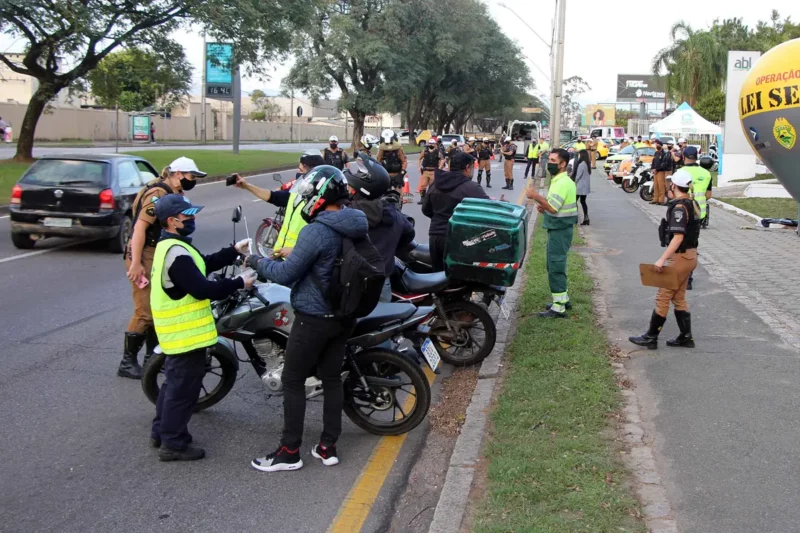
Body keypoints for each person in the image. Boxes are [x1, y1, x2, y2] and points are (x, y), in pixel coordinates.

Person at [249, 166, 369, 472]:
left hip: (314, 318)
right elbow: (328, 261)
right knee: (331, 379)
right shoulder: (355, 223)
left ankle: (289, 452)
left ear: (319, 195)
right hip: (343, 316)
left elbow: (286, 274)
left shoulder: (316, 230)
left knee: (292, 380)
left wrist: (256, 262)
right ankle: (328, 447)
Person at [150, 194, 257, 461]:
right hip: (185, 334)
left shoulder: (172, 246)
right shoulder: (176, 252)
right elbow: (202, 289)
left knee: (173, 384)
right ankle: (173, 444)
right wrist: (239, 283)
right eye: (188, 216)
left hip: (177, 333)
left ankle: (160, 432)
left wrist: (234, 251)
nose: (193, 219)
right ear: (172, 221)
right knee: (183, 390)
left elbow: (204, 265)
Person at [120, 157, 199, 379]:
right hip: (144, 254)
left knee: (157, 308)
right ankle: (127, 362)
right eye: (192, 176)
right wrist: (136, 263)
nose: (194, 181)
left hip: (156, 253)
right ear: (178, 173)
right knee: (144, 311)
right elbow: (139, 229)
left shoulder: (172, 193)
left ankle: (151, 358)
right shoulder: (158, 194)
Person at [628, 169, 700, 349]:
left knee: (663, 296)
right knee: (679, 297)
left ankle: (651, 337)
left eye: (670, 183)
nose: (668, 186)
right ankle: (686, 337)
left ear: (674, 186)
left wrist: (662, 259)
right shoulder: (691, 203)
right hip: (690, 256)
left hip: (680, 258)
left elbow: (678, 237)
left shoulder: (679, 208)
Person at [347, 153, 414, 301]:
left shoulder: (348, 213)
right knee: (384, 322)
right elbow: (409, 233)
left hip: (354, 281)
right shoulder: (392, 212)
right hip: (382, 280)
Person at [234, 149, 325, 256]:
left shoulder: (322, 203)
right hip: (282, 259)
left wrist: (294, 250)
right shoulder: (295, 194)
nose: (298, 173)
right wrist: (246, 186)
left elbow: (321, 240)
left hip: (298, 262)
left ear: (311, 172)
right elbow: (272, 196)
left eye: (300, 170)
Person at [525, 148, 578, 318]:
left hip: (560, 231)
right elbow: (553, 207)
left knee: (556, 266)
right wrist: (544, 208)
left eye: (554, 161)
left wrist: (535, 196)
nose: (550, 163)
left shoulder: (562, 182)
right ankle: (563, 299)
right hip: (558, 228)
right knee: (554, 265)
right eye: (550, 160)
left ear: (563, 164)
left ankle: (558, 307)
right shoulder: (559, 180)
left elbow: (554, 208)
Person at [422, 151, 489, 272]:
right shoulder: (472, 188)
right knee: (459, 278)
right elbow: (488, 212)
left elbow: (426, 210)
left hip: (435, 237)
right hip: (460, 239)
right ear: (467, 168)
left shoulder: (434, 184)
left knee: (437, 277)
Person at [681, 147, 713, 290]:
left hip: (681, 211)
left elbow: (671, 193)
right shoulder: (706, 173)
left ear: (684, 156)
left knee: (679, 244)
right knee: (692, 245)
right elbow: (708, 195)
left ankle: (681, 276)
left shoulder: (680, 172)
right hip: (698, 213)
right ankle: (689, 278)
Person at [418, 138, 444, 204]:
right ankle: (422, 199)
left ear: (435, 144)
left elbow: (442, 160)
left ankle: (431, 200)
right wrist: (419, 167)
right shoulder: (425, 151)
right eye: (430, 143)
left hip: (433, 171)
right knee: (423, 185)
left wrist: (440, 168)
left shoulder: (437, 151)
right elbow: (419, 159)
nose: (431, 145)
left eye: (432, 143)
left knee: (432, 186)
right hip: (426, 171)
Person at [572, 149, 591, 226]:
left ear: (581, 155)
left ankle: (575, 218)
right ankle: (586, 218)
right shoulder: (587, 164)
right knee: (583, 202)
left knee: (574, 201)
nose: (578, 156)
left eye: (579, 154)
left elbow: (577, 176)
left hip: (580, 187)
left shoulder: (581, 164)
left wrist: (573, 182)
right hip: (585, 187)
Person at [651, 139, 671, 206]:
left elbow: (663, 163)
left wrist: (657, 169)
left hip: (660, 171)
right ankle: (655, 199)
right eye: (656, 144)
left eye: (658, 144)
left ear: (661, 146)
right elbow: (653, 161)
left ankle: (661, 200)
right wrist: (653, 168)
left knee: (661, 186)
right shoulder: (656, 153)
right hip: (655, 171)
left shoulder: (664, 154)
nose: (657, 145)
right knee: (656, 186)